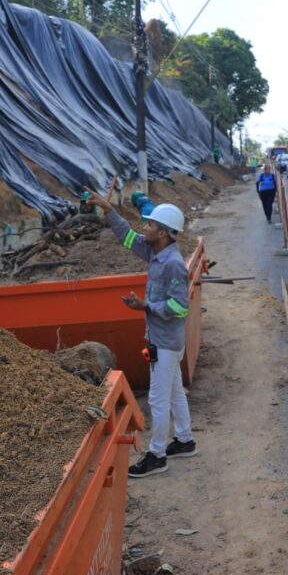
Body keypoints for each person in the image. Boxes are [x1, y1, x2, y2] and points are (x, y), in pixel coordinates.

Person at [84, 191, 196, 478]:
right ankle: (184, 440)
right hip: (166, 341)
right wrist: (110, 211)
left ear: (163, 232)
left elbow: (180, 307)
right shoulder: (156, 252)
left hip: (166, 343)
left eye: (149, 225)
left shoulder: (172, 264)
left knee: (158, 399)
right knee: (173, 390)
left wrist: (146, 306)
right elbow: (127, 238)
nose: (144, 228)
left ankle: (157, 455)